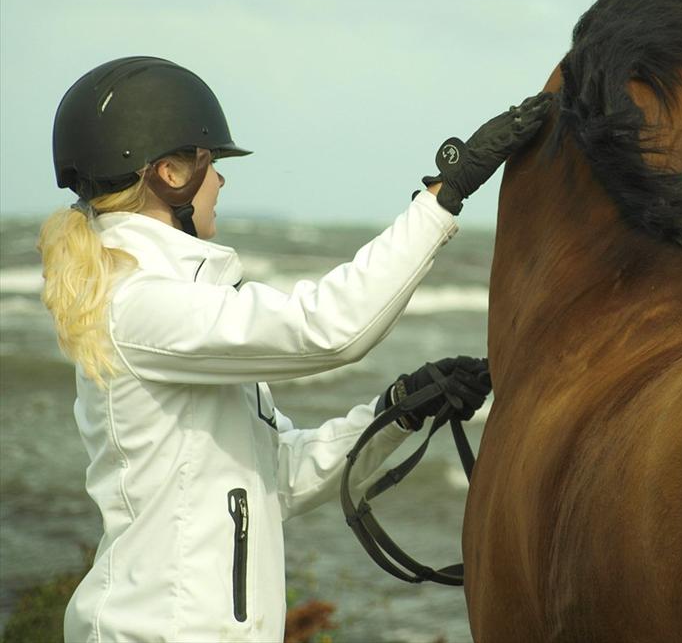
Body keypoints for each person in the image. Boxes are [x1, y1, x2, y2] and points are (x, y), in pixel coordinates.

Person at [37, 56, 551, 643]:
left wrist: (399, 410)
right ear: (170, 174)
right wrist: (443, 195)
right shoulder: (140, 305)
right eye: (212, 163)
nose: (221, 182)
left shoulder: (170, 301)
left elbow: (278, 476)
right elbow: (328, 328)